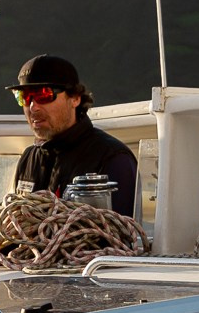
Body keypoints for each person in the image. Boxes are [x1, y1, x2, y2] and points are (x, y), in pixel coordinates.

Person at [9, 54, 138, 217]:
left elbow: (121, 235)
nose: (33, 107)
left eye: (44, 95)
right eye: (24, 97)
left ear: (75, 98)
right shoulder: (28, 159)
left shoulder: (112, 158)